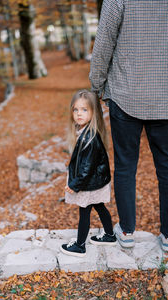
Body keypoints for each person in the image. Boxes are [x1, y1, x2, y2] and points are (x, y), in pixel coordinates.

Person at [89, 0, 168, 252]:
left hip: (126, 93)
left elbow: (104, 43)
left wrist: (96, 83)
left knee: (125, 166)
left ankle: (126, 231)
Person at [60, 89, 116, 257]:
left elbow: (87, 167)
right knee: (99, 206)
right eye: (76, 109)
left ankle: (79, 246)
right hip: (96, 180)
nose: (79, 114)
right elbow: (84, 162)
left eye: (84, 110)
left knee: (84, 210)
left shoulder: (89, 137)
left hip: (90, 182)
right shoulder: (84, 132)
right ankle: (110, 235)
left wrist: (75, 184)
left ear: (94, 113)